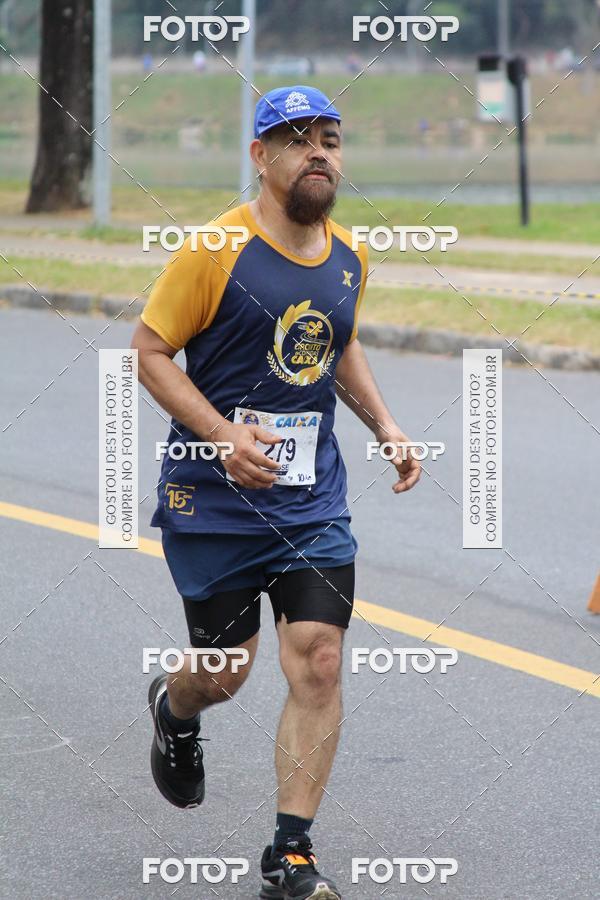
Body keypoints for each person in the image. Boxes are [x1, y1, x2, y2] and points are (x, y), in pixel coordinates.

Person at [131, 85, 421, 900]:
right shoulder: (215, 250)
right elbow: (150, 353)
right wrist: (224, 436)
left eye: (329, 137)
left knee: (319, 662)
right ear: (261, 157)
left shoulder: (350, 256)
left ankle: (289, 854)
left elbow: (338, 343)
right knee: (224, 671)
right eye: (296, 139)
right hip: (214, 497)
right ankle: (176, 709)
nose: (317, 151)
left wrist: (386, 426)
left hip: (309, 501)